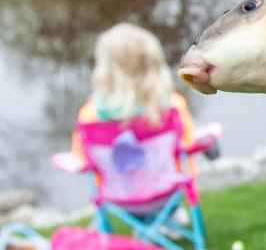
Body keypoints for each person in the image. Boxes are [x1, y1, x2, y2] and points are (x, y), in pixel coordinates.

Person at [72, 22, 197, 161]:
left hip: (115, 183)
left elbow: (82, 158)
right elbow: (188, 143)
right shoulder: (173, 106)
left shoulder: (90, 115)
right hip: (170, 182)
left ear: (104, 70)